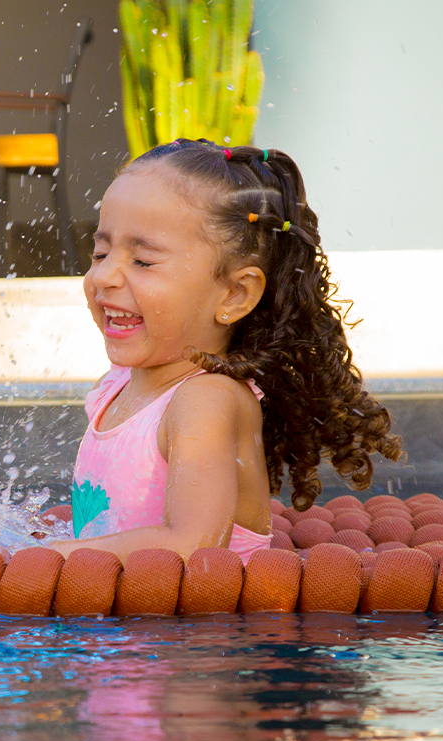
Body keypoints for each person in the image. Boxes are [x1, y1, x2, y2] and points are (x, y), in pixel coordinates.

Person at [47, 140, 402, 563]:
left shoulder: (204, 401)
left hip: (205, 630)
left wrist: (49, 556)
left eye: (142, 261)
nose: (103, 275)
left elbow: (194, 544)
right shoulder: (119, 385)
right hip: (135, 623)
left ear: (235, 294)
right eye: (101, 252)